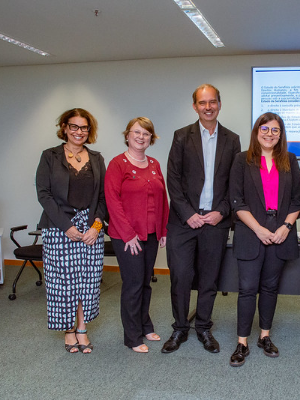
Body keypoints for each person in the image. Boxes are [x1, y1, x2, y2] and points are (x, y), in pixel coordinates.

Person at [162, 84, 241, 354]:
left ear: (219, 103)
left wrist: (221, 211)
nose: (208, 107)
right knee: (181, 276)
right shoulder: (182, 136)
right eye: (202, 102)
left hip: (216, 222)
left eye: (213, 102)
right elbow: (172, 179)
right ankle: (180, 328)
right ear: (195, 106)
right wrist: (188, 214)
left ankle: (204, 327)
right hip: (184, 222)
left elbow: (234, 182)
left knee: (209, 278)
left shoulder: (232, 139)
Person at [228, 112, 300, 367]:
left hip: (280, 233)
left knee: (270, 288)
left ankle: (264, 336)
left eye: (275, 130)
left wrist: (285, 226)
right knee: (248, 289)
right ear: (256, 131)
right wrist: (258, 229)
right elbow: (236, 201)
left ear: (281, 134)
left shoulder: (290, 160)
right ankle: (242, 342)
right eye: (265, 129)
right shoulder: (241, 160)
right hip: (251, 232)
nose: (269, 134)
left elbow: (297, 201)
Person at [36, 108, 107, 354]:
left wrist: (96, 227)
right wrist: (66, 227)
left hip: (91, 229)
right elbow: (43, 194)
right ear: (65, 128)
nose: (79, 132)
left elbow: (103, 197)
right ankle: (69, 331)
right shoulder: (50, 156)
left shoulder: (97, 158)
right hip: (59, 228)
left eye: (84, 127)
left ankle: (82, 328)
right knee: (64, 283)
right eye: (74, 127)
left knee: (87, 281)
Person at [104, 117, 168, 353]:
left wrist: (163, 230)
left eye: (146, 134)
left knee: (145, 283)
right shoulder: (117, 164)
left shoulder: (154, 164)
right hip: (127, 236)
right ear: (128, 135)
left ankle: (145, 324)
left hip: (151, 234)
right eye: (137, 132)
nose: (141, 137)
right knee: (133, 285)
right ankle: (132, 336)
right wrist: (128, 235)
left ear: (151, 138)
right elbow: (113, 203)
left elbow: (162, 199)